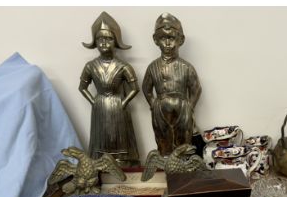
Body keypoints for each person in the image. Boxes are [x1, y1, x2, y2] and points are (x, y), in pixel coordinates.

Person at [79, 11, 140, 167]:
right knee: (102, 137)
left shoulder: (123, 66)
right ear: (95, 42)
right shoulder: (90, 66)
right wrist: (94, 101)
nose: (104, 43)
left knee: (120, 137)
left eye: (108, 39)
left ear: (116, 41)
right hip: (100, 106)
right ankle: (100, 163)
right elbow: (82, 87)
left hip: (118, 104)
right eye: (100, 39)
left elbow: (135, 88)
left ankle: (123, 163)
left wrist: (123, 103)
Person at [142, 13, 202, 156]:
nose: (168, 43)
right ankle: (165, 166)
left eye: (171, 38)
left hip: (182, 110)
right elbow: (146, 89)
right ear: (156, 40)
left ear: (180, 40)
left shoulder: (187, 67)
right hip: (160, 112)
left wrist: (189, 107)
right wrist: (154, 105)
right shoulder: (152, 67)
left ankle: (185, 169)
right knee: (163, 141)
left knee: (184, 143)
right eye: (163, 38)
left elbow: (196, 89)